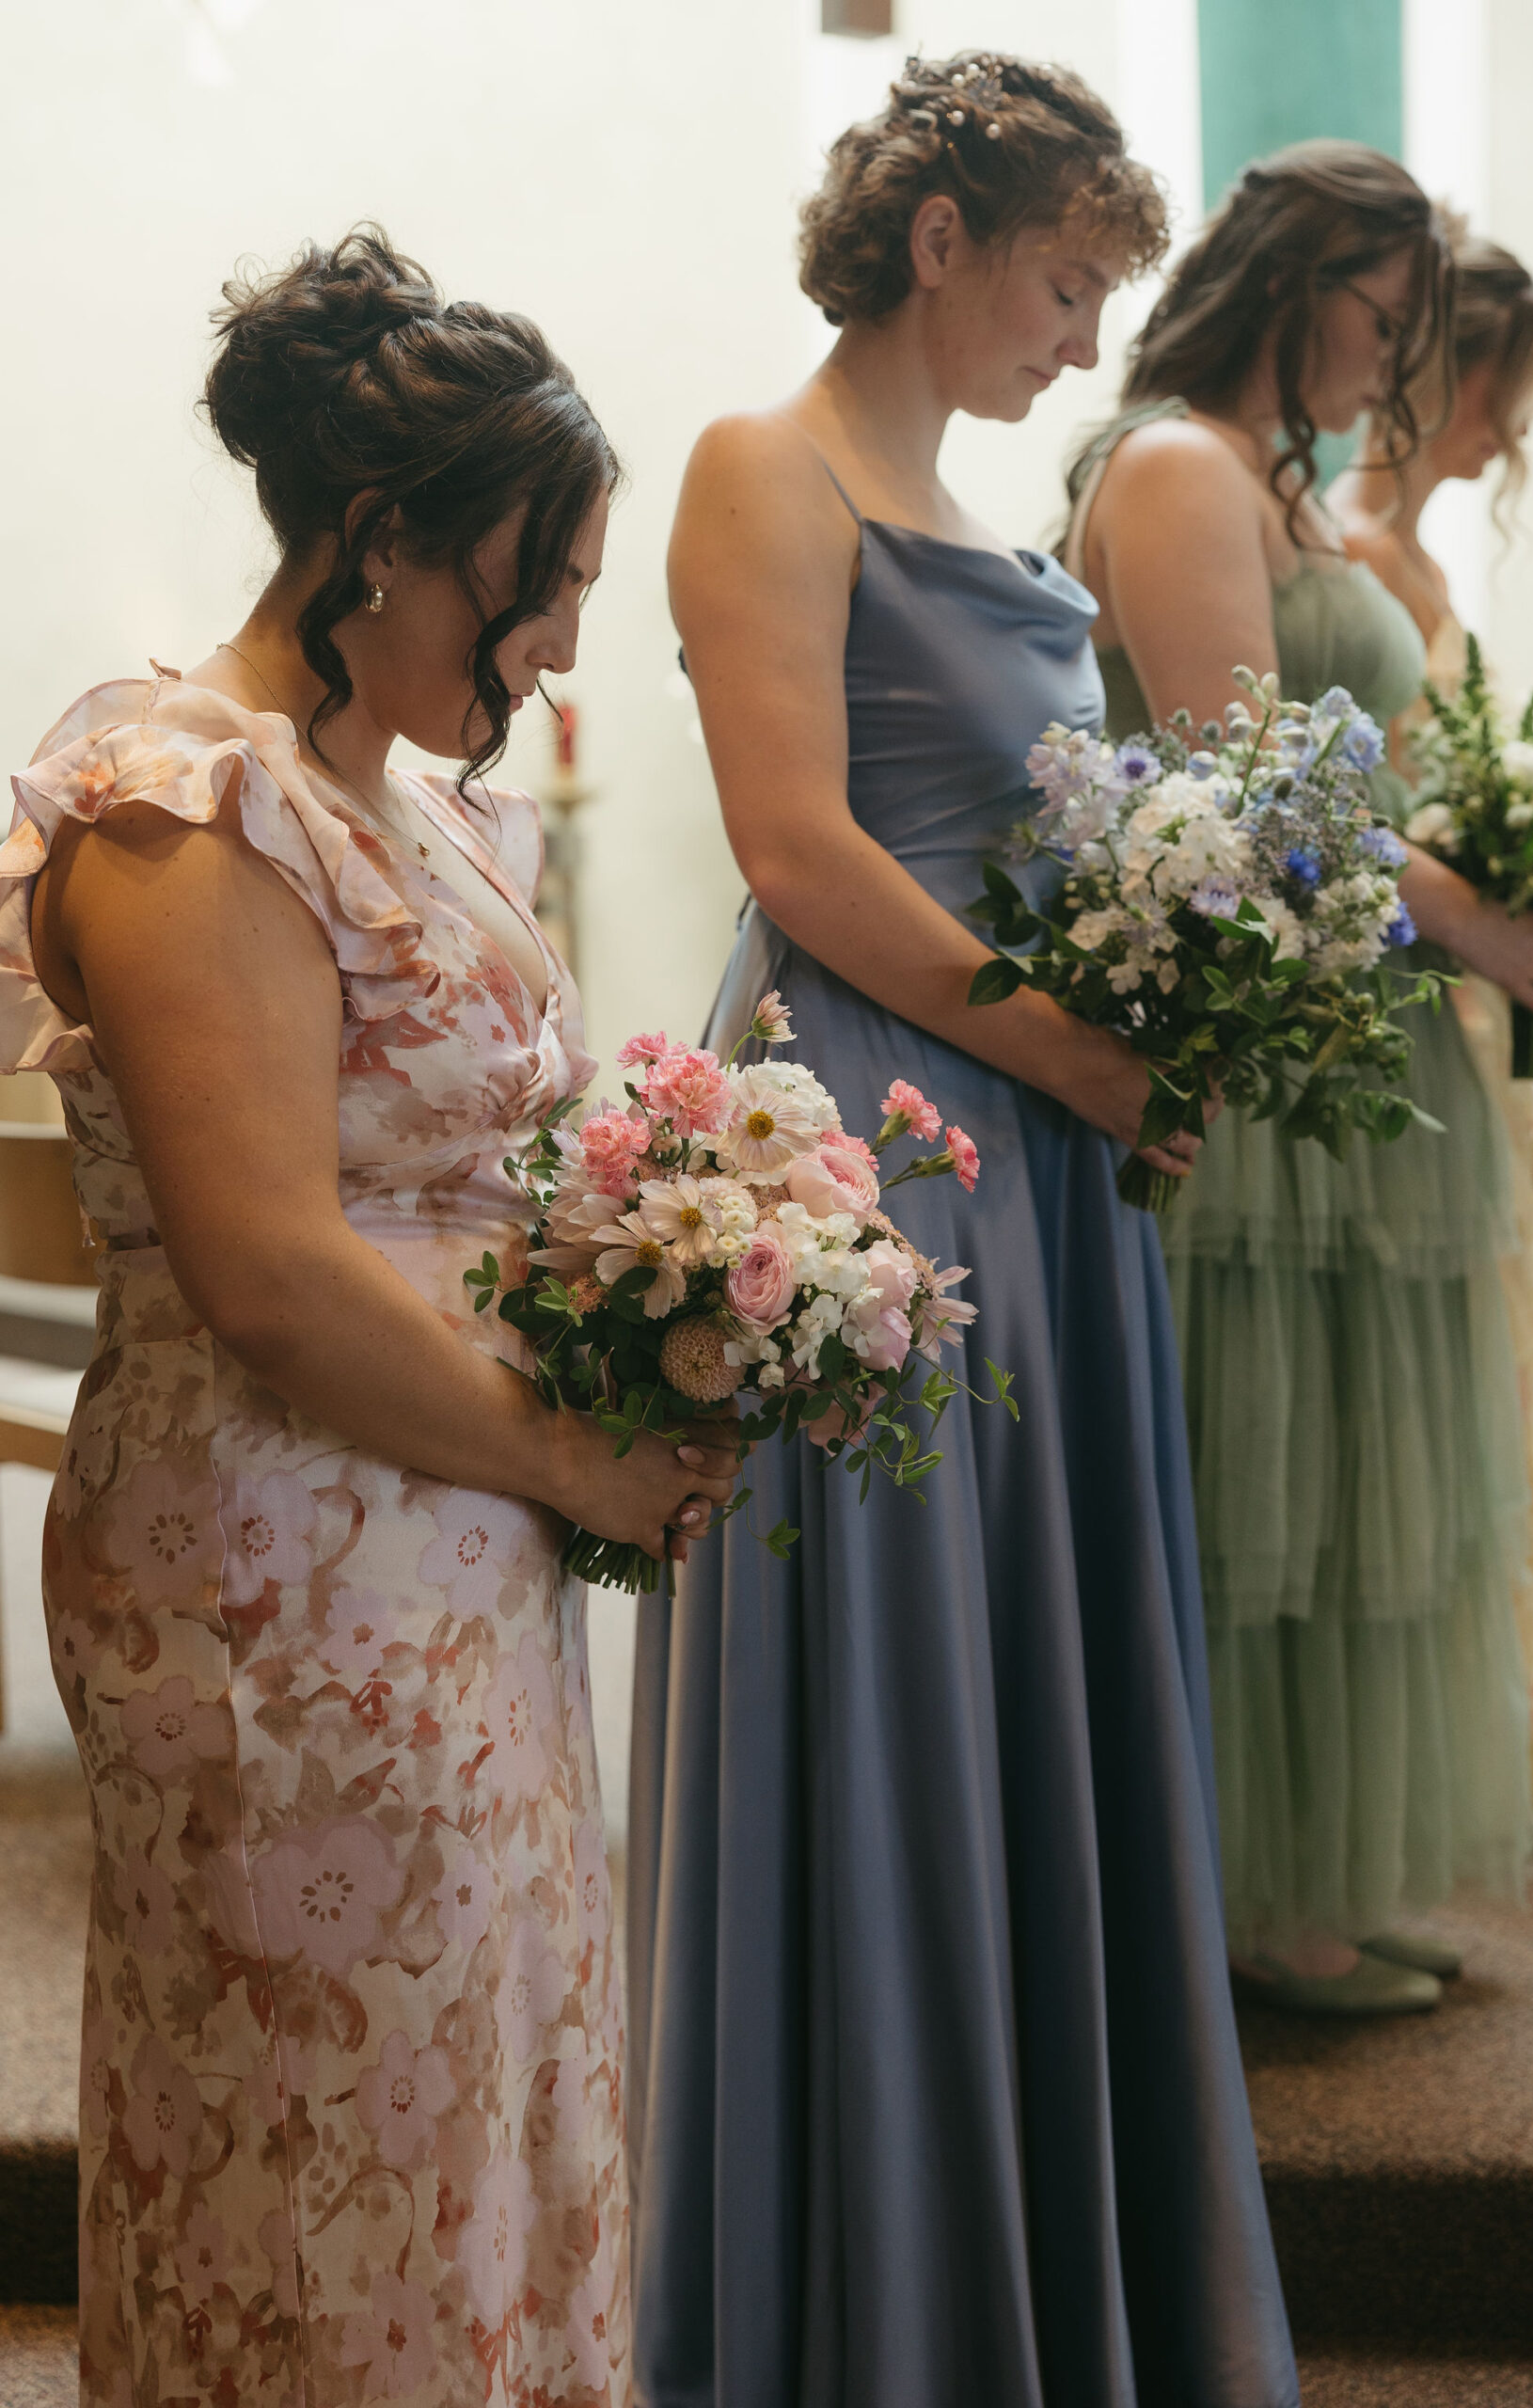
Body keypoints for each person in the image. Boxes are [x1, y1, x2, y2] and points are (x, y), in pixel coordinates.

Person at [8, 228, 737, 2406]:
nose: (559, 635)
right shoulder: (182, 800)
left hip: (449, 1548)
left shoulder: (411, 811)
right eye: (541, 576)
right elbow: (270, 1266)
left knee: (469, 2101)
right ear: (377, 536)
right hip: (284, 1576)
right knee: (321, 2133)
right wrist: (574, 1449)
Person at [628, 54, 1299, 2407]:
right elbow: (800, 854)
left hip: (1043, 1145)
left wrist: (1157, 1014)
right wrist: (1087, 1053)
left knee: (1051, 1689)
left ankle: (1049, 2275)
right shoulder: (761, 468)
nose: (1079, 331)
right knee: (905, 1694)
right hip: (892, 1151)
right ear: (938, 239)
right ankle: (889, 2308)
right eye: (1060, 277)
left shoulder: (980, 503)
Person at [1066, 145, 1533, 2017]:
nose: (1391, 362)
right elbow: (1261, 791)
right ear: (1290, 288)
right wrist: (1487, 927)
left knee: (1359, 1478)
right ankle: (1226, 1892)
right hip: (1254, 1062)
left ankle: (1313, 1864)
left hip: (1343, 1047)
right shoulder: (1173, 463)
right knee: (1254, 1472)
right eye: (1380, 322)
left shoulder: (1269, 482)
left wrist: (1492, 891)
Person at [1330, 230, 1533, 1853]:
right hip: (1403, 998)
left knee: (1484, 1402)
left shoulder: (1418, 567)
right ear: (1435, 372)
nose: (1505, 437)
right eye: (1500, 397)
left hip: (1467, 1002)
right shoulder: (1348, 553)